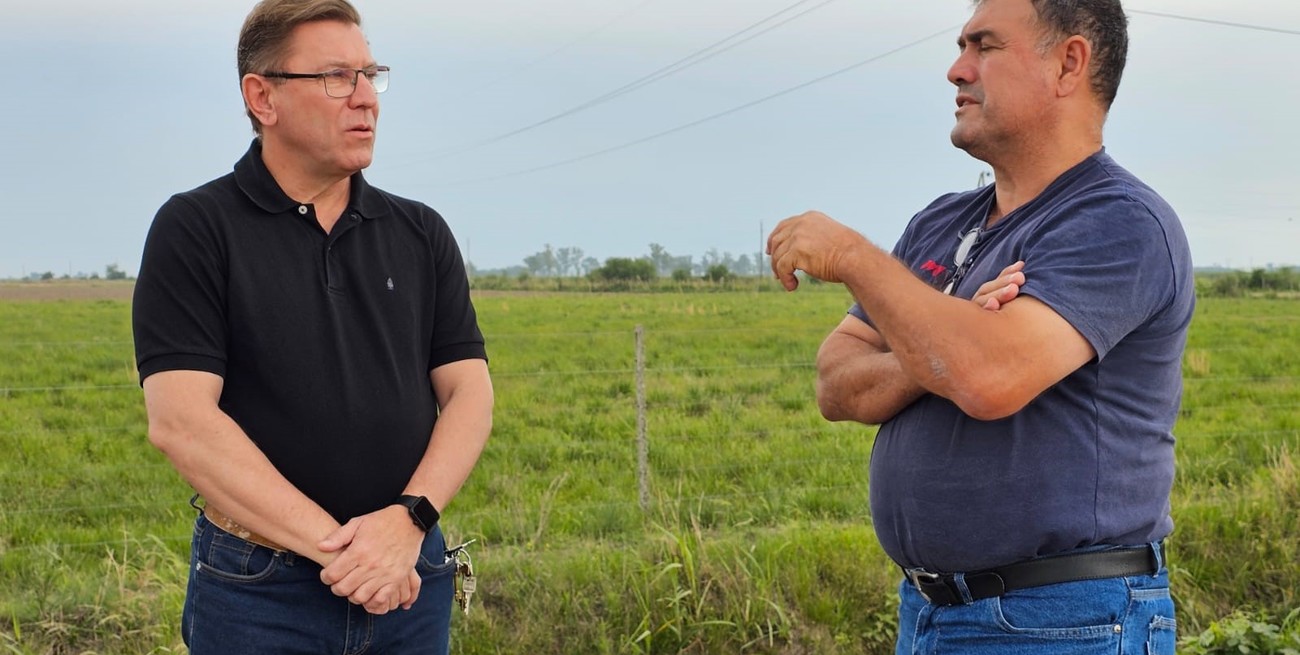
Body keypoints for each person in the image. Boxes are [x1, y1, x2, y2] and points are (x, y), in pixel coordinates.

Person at [766, 0, 1192, 653]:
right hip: (932, 611)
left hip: (1063, 620)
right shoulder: (940, 222)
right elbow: (836, 382)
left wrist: (854, 258)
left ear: (1068, 63)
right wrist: (948, 339)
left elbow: (988, 376)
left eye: (984, 46)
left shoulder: (1119, 221)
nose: (956, 70)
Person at [132, 1, 493, 652]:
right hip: (259, 589)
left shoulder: (420, 233)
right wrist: (353, 553)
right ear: (261, 96)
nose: (365, 99)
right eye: (335, 77)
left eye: (370, 75)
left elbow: (471, 394)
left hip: (410, 574)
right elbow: (181, 421)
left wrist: (408, 524)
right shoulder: (197, 229)